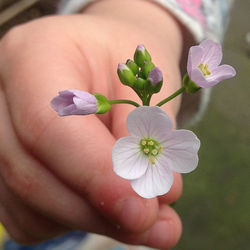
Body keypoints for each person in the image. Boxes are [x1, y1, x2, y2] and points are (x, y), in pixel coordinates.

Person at [0, 0, 234, 249]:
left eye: (150, 146)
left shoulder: (153, 125)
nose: (150, 146)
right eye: (149, 145)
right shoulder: (143, 122)